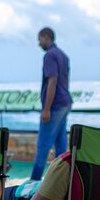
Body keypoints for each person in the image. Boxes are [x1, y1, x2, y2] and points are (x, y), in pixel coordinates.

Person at [30, 27, 72, 181]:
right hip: (65, 102)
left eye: (39, 39)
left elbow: (52, 81)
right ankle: (62, 179)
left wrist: (46, 109)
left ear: (46, 37)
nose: (38, 43)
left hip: (54, 106)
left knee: (43, 146)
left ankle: (33, 181)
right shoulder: (63, 55)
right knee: (60, 145)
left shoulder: (49, 55)